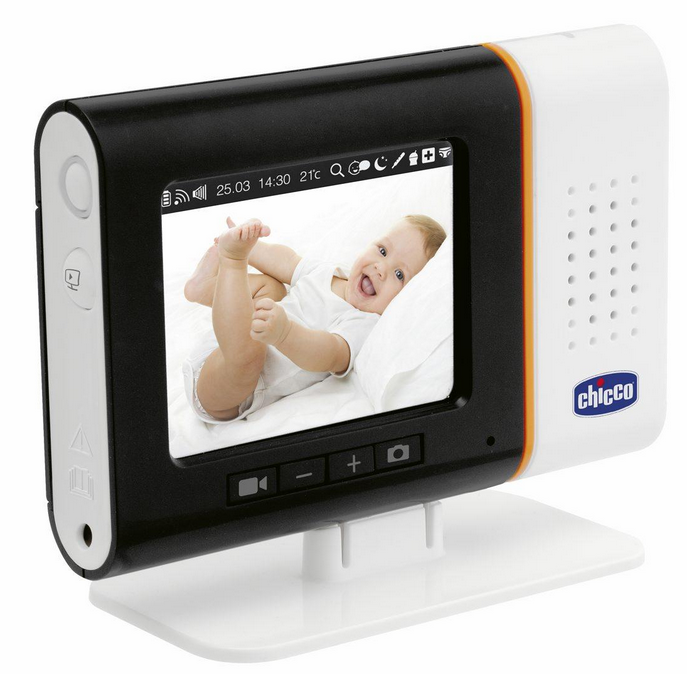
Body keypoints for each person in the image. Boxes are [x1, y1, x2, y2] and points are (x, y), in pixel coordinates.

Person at [182, 213, 446, 423]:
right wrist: (250, 245)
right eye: (383, 251)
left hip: (229, 390)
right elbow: (287, 261)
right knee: (273, 288)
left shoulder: (363, 324)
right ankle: (205, 287)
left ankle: (232, 261)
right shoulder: (332, 271)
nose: (381, 268)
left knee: (253, 352)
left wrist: (285, 334)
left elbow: (328, 353)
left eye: (399, 275)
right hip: (225, 340)